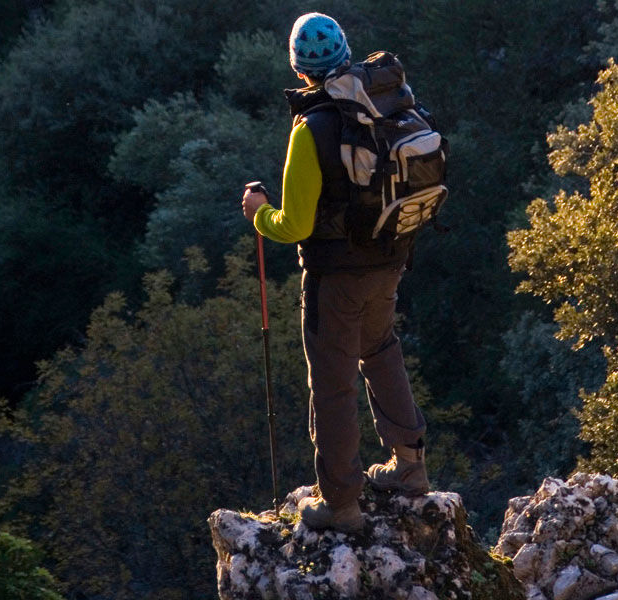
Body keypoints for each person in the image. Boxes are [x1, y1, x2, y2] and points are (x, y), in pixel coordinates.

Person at [241, 12, 428, 533]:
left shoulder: (312, 129)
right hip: (391, 258)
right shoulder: (386, 99)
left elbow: (294, 224)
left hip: (335, 278)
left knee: (333, 382)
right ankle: (410, 467)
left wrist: (259, 211)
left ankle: (341, 504)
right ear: (344, 54)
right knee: (381, 350)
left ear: (299, 68)